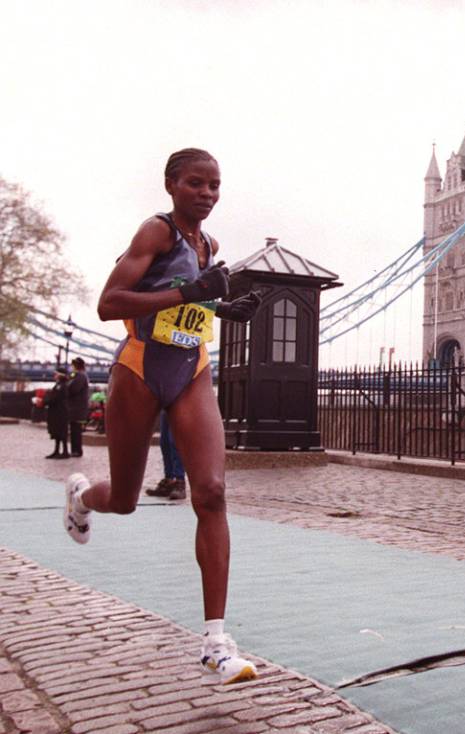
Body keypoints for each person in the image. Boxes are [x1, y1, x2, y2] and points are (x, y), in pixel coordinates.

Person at [62, 148, 262, 684]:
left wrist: (221, 307)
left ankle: (216, 642)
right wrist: (190, 291)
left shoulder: (210, 245)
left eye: (215, 185)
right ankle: (83, 496)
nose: (207, 193)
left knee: (213, 492)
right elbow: (110, 303)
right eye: (196, 183)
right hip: (141, 369)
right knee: (124, 500)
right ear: (172, 185)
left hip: (192, 368)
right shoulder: (156, 233)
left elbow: (189, 301)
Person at [146, 412, 187, 500]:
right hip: (166, 404)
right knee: (164, 442)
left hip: (178, 402)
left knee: (174, 441)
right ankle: (169, 481)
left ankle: (180, 482)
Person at [44, 368, 70, 459]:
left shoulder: (62, 385)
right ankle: (57, 451)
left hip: (60, 412)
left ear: (60, 375)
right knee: (56, 431)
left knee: (61, 431)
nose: (54, 375)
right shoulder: (59, 385)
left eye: (56, 374)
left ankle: (65, 452)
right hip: (57, 412)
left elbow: (55, 398)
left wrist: (44, 401)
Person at [67, 357, 90, 457]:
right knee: (74, 429)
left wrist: (66, 388)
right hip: (76, 408)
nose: (71, 367)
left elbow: (73, 389)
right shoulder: (79, 375)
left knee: (76, 430)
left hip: (77, 408)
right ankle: (74, 450)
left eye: (72, 365)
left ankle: (77, 451)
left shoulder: (80, 376)